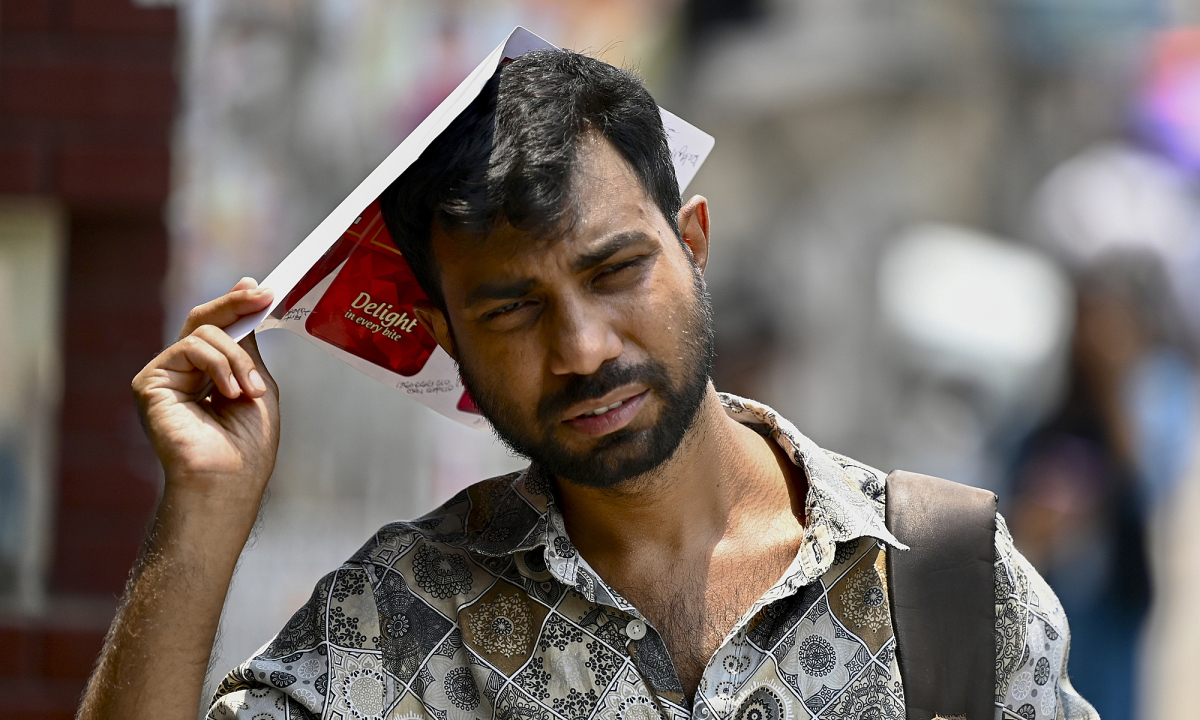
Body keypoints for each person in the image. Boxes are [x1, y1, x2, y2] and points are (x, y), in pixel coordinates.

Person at [78, 50, 1096, 720]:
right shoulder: (398, 622)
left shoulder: (942, 581)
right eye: (512, 311)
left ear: (692, 245)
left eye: (616, 272)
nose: (580, 348)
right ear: (444, 334)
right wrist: (200, 516)